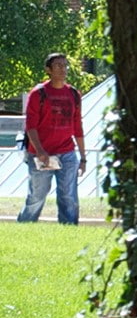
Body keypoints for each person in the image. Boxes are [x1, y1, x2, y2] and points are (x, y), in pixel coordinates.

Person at [17, 53, 85, 225]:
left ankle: (69, 230)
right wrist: (40, 151)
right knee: (37, 196)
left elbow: (77, 127)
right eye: (58, 66)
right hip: (41, 154)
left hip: (67, 152)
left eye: (65, 65)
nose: (63, 69)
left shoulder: (74, 94)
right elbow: (30, 126)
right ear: (48, 70)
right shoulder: (38, 93)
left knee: (68, 195)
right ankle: (25, 227)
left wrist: (83, 158)